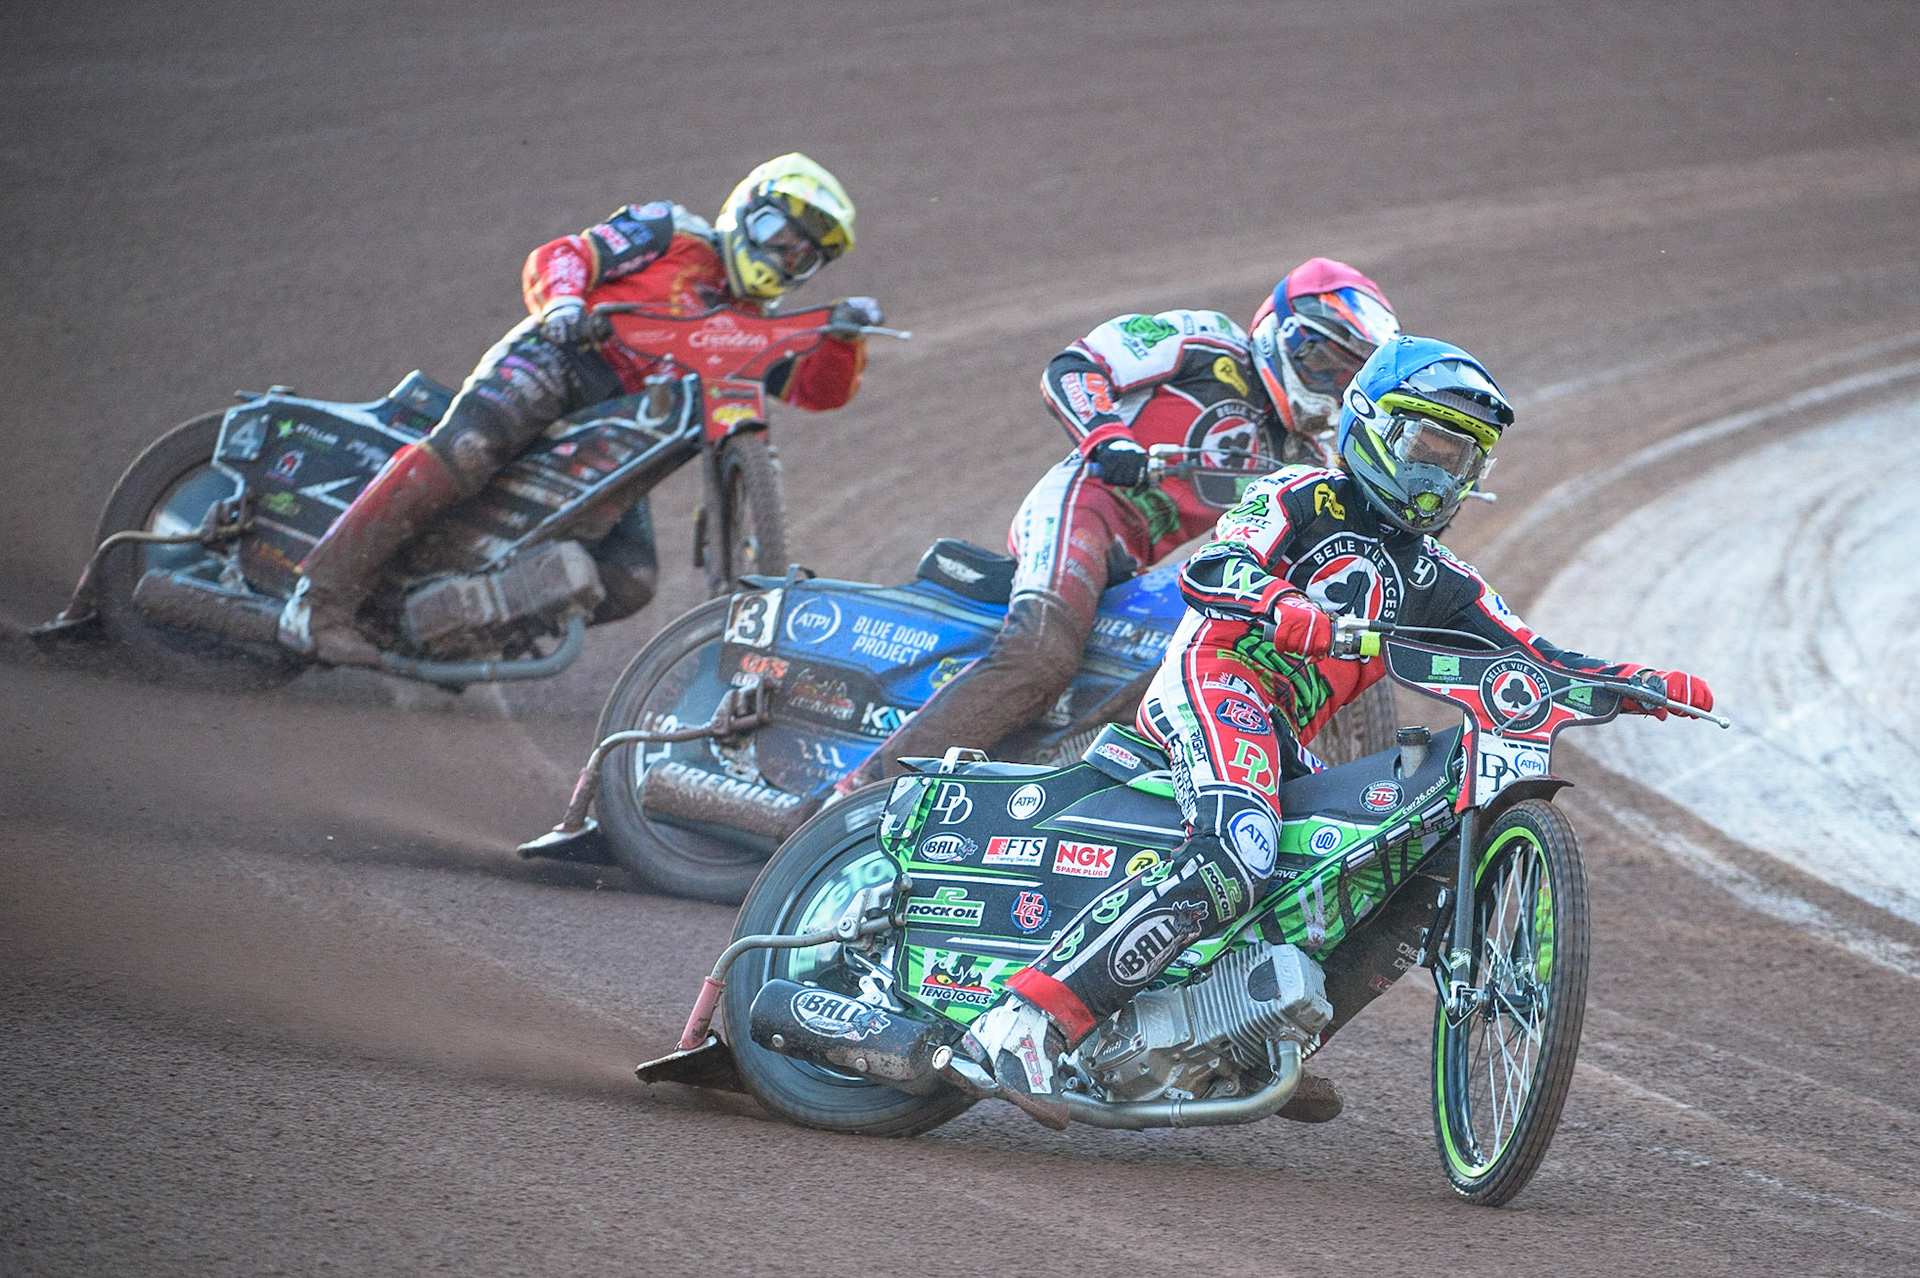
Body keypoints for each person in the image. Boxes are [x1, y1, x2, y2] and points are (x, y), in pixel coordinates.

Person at [965, 335, 1716, 1128]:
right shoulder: (1301, 495)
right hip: (1218, 681)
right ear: (1371, 426)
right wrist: (1287, 608)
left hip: (1281, 732)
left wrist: (1634, 682)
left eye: (1461, 460)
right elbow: (1213, 570)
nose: (1439, 473)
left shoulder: (1437, 578)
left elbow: (1530, 653)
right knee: (1241, 850)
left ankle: (1245, 1042)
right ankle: (1025, 1022)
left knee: (1379, 871)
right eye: (1427, 446)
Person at [278, 153, 880, 665]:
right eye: (778, 233)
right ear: (746, 210)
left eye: (802, 257)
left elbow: (815, 391)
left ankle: (447, 632)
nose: (782, 257)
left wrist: (844, 339)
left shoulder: (752, 330)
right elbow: (565, 254)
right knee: (466, 450)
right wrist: (563, 305)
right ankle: (318, 600)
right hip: (561, 361)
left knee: (629, 579)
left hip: (621, 433)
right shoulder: (670, 232)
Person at [832, 258, 1399, 792]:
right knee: (1042, 654)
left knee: (1189, 664)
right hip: (1086, 506)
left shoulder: (1311, 451)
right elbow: (1078, 366)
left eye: (1347, 372)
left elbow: (1339, 532)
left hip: (1141, 564)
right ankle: (863, 793)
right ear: (1280, 330)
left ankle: (1059, 764)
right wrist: (1110, 438)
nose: (1328, 377)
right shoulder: (1205, 341)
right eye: (1321, 356)